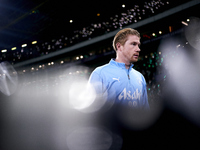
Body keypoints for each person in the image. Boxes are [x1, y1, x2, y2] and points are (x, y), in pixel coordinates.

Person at [88, 28, 149, 109]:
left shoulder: (140, 77)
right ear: (119, 46)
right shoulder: (100, 73)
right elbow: (91, 112)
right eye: (133, 44)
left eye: (138, 45)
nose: (138, 49)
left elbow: (145, 111)